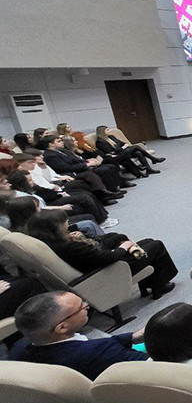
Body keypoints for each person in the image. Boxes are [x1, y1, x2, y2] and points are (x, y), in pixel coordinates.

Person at [27, 210, 178, 299]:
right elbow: (107, 258)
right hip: (110, 270)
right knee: (155, 245)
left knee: (126, 238)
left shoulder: (52, 242)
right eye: (64, 223)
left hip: (97, 264)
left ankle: (149, 283)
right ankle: (159, 285)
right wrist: (124, 248)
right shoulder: (69, 246)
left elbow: (91, 254)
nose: (67, 223)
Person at [12, 291, 149, 379]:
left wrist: (130, 337)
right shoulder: (99, 351)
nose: (87, 305)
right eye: (81, 307)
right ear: (62, 327)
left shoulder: (19, 349)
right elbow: (154, 367)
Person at [40, 135, 130, 192]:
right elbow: (66, 168)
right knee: (105, 169)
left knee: (110, 166)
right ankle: (109, 191)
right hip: (73, 172)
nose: (62, 142)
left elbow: (76, 160)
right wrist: (87, 164)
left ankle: (116, 187)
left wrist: (88, 161)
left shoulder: (62, 151)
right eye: (59, 141)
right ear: (51, 144)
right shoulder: (51, 155)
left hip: (81, 167)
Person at [95, 125, 163, 177]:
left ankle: (148, 169)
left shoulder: (111, 137)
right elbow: (112, 152)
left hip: (124, 152)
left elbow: (123, 143)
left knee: (138, 152)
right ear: (103, 132)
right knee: (136, 147)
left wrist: (123, 147)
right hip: (117, 155)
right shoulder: (99, 142)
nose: (110, 131)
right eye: (108, 130)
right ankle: (153, 159)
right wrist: (123, 147)